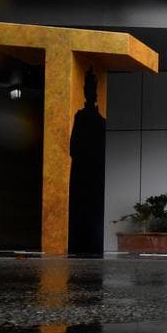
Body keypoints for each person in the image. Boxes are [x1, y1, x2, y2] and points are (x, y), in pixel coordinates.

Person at [68, 71, 106, 256]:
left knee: (87, 212)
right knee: (88, 212)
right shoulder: (89, 119)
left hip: (89, 173)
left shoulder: (96, 121)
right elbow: (73, 147)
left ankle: (86, 246)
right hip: (90, 173)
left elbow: (73, 147)